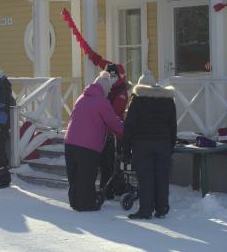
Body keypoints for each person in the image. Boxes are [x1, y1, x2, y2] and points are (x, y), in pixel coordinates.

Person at [64, 71, 124, 211]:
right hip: (88, 146)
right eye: (109, 89)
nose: (109, 92)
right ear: (104, 88)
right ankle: (86, 204)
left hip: (70, 142)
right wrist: (127, 131)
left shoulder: (81, 98)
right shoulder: (102, 102)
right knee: (87, 176)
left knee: (74, 176)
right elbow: (114, 123)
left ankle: (75, 202)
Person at [123, 70, 177, 220]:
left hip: (142, 144)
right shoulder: (168, 101)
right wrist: (171, 144)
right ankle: (162, 208)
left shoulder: (137, 101)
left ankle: (145, 210)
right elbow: (173, 126)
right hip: (163, 143)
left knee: (145, 177)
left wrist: (125, 150)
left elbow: (129, 127)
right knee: (162, 176)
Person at [100, 64, 130, 198]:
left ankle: (113, 188)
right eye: (110, 75)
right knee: (105, 162)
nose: (112, 78)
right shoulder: (104, 88)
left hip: (114, 131)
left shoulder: (121, 90)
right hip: (103, 130)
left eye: (114, 75)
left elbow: (116, 111)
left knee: (113, 161)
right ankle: (107, 188)